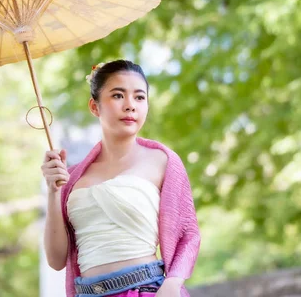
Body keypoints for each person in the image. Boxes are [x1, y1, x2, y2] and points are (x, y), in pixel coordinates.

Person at [41, 60, 201, 297]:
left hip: (145, 291)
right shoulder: (72, 177)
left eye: (139, 97)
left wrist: (173, 282)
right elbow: (56, 260)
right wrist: (53, 191)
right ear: (94, 107)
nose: (130, 106)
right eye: (118, 95)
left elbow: (188, 233)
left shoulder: (162, 160)